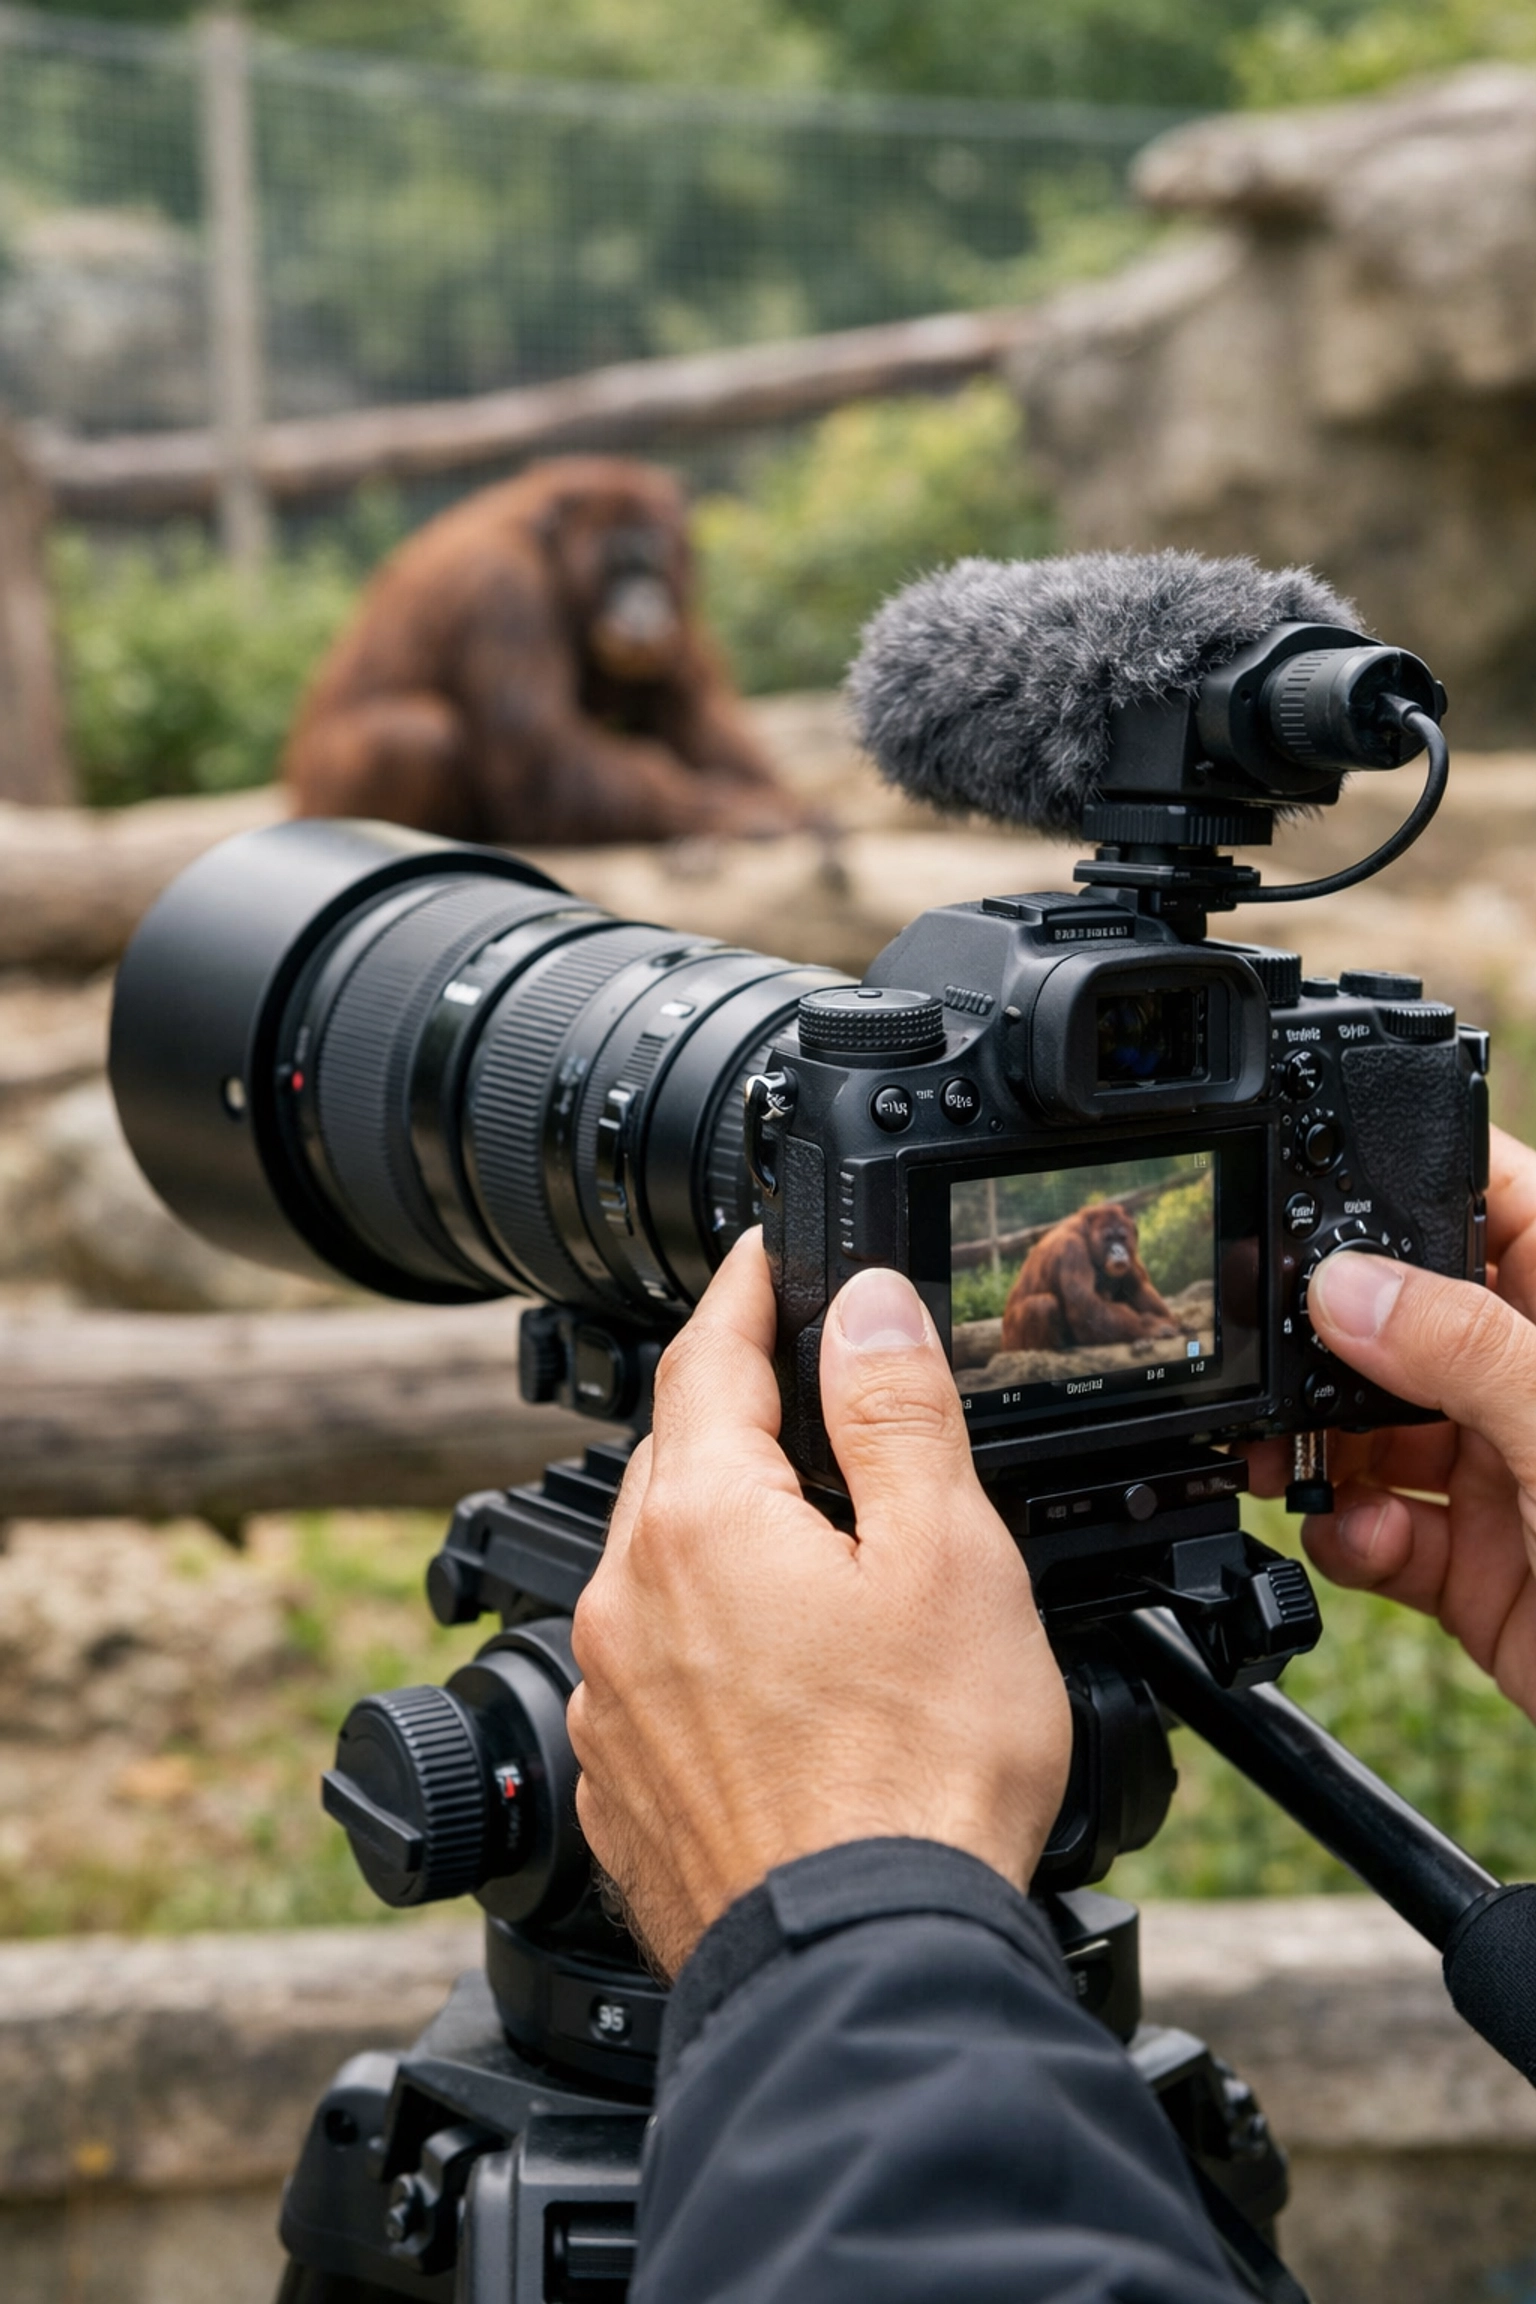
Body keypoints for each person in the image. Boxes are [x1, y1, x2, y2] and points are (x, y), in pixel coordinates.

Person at [566, 1120, 1536, 2304]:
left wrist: (840, 1916)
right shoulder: (1072, 1258)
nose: (1124, 1248)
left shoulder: (1105, 1252)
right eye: (1118, 1235)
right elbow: (1093, 1316)